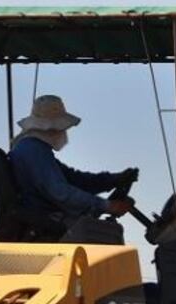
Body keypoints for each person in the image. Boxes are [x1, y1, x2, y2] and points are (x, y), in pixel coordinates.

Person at [8, 95, 137, 240]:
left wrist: (112, 180)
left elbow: (74, 179)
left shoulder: (35, 150)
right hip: (43, 223)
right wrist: (107, 206)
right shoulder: (33, 150)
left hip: (45, 220)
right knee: (109, 234)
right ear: (52, 128)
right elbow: (62, 192)